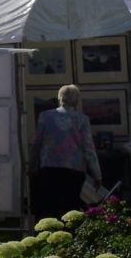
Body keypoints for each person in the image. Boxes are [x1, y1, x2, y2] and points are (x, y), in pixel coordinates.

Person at [29, 84, 103, 220]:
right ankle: (70, 237)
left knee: (50, 208)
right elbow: (88, 148)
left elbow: (36, 143)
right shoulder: (82, 119)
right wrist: (97, 175)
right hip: (74, 171)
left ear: (60, 98)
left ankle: (49, 237)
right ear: (76, 100)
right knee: (70, 207)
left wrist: (32, 165)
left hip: (49, 168)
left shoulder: (45, 116)